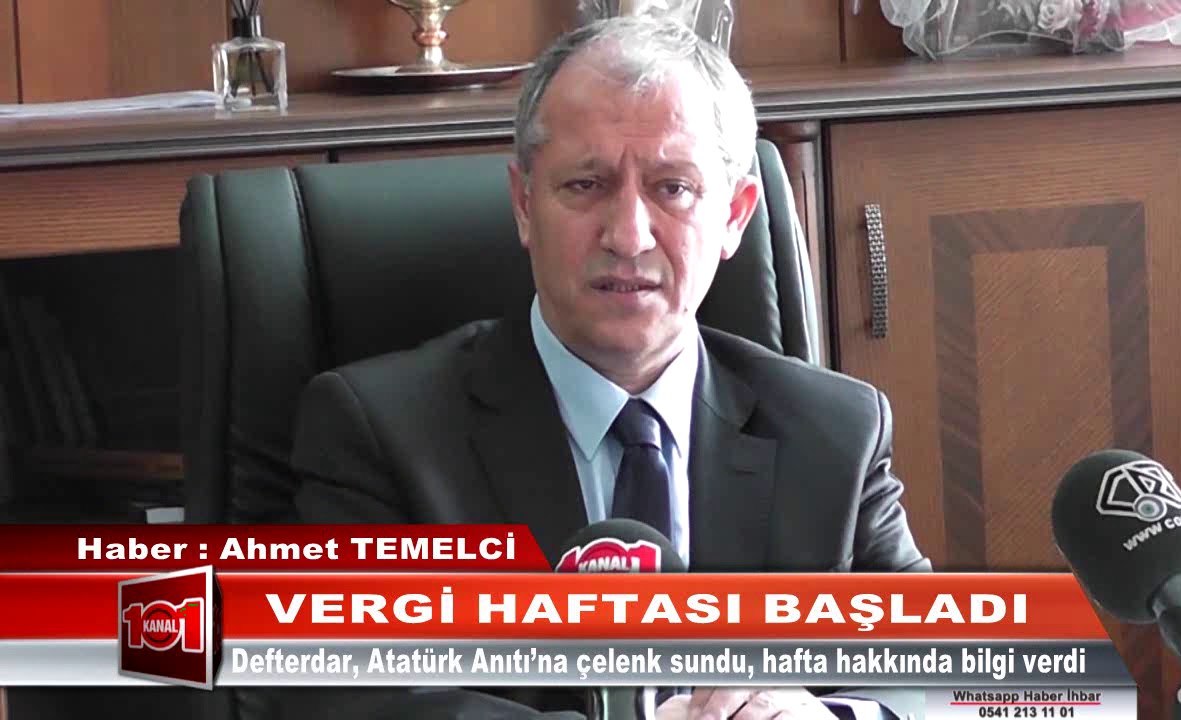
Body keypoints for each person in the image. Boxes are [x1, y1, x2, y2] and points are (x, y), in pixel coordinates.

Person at [287, 14, 929, 719]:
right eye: (586, 184)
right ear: (524, 204)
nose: (628, 236)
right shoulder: (380, 432)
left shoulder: (835, 432)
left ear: (735, 216)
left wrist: (830, 716)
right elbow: (349, 696)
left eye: (672, 188)